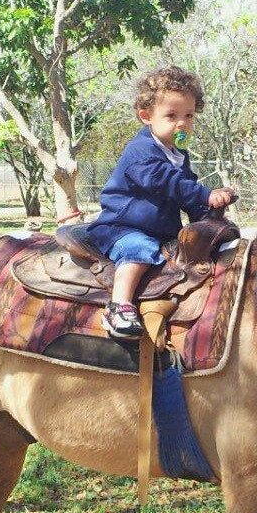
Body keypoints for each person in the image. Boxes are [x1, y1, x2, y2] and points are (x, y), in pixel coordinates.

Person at [87, 66, 234, 339]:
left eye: (188, 115)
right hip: (123, 226)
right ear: (146, 117)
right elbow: (169, 183)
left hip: (158, 229)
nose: (182, 123)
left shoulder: (178, 154)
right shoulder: (141, 152)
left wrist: (209, 216)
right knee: (138, 250)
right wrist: (205, 194)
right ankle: (119, 306)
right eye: (171, 116)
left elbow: (186, 194)